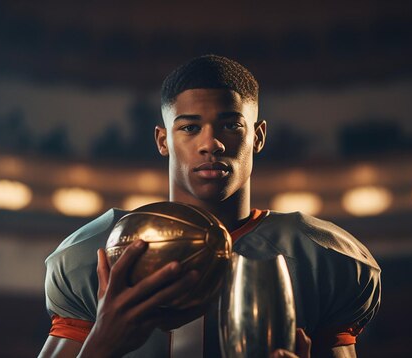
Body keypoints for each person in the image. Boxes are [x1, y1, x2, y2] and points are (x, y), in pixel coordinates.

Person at [38, 55, 381, 358]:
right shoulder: (93, 253)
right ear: (163, 140)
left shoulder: (319, 255)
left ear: (258, 136)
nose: (211, 144)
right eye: (190, 127)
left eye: (231, 125)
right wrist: (102, 343)